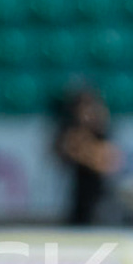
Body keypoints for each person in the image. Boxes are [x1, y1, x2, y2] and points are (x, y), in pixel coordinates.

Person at [50, 78, 122, 225]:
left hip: (101, 197)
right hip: (77, 196)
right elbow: (59, 153)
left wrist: (83, 151)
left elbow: (109, 162)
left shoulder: (102, 132)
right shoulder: (69, 130)